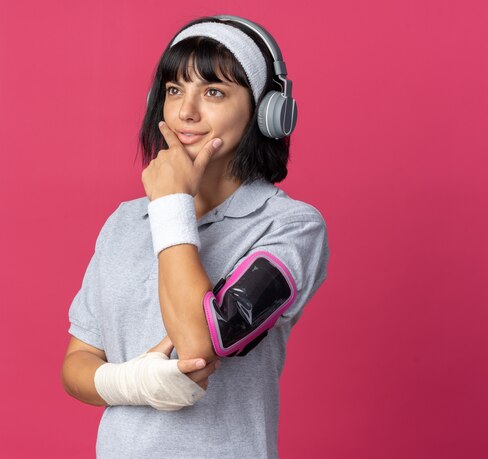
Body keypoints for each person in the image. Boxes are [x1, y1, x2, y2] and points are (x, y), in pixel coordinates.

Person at [60, 14, 330, 458]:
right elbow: (76, 363)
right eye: (173, 91)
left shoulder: (289, 226)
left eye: (214, 91)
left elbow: (198, 342)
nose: (186, 111)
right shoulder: (125, 222)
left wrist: (171, 205)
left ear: (266, 111)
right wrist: (135, 382)